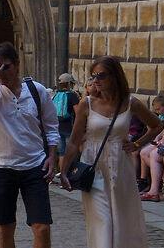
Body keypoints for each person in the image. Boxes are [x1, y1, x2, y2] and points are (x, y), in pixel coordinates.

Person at [0, 40, 65, 248]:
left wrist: (51, 156)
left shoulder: (37, 90)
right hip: (1, 167)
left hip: (34, 166)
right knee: (5, 229)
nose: (1, 73)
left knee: (42, 227)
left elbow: (51, 127)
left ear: (17, 64)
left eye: (5, 67)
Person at [65, 55, 157, 248]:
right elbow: (74, 141)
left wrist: (137, 144)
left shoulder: (131, 103)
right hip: (94, 166)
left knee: (122, 219)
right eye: (93, 76)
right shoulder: (86, 104)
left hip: (121, 165)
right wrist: (64, 171)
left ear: (115, 77)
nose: (96, 80)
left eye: (101, 75)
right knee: (102, 220)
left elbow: (156, 126)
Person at [54, 74, 79, 148]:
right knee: (70, 152)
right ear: (69, 84)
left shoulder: (56, 95)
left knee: (62, 153)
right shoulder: (72, 95)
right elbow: (78, 113)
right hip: (70, 129)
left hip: (59, 128)